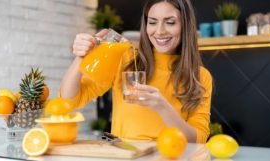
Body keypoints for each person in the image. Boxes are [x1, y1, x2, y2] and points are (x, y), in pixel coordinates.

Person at [60, 0, 212, 143]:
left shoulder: (199, 76)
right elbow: (70, 99)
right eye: (152, 22)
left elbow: (197, 139)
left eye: (170, 22)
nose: (159, 31)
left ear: (186, 25)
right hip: (126, 155)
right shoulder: (125, 58)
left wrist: (162, 107)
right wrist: (82, 57)